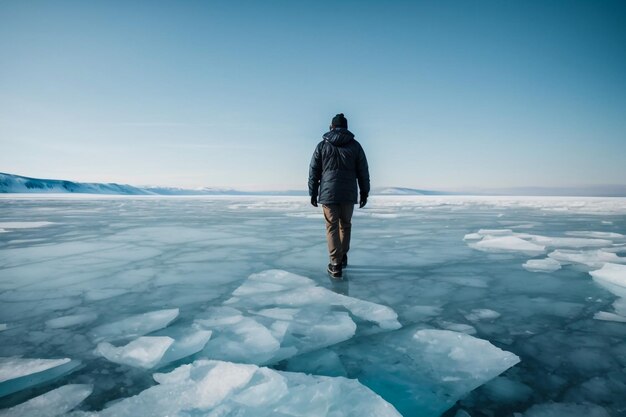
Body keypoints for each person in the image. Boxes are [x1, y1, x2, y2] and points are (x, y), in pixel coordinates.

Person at [308, 113, 370, 278]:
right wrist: (364, 192)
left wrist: (313, 192)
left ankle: (335, 264)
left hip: (328, 193)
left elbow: (314, 170)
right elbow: (363, 171)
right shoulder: (355, 146)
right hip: (348, 193)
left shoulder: (322, 146)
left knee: (332, 226)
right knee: (345, 224)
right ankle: (342, 257)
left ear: (332, 127)